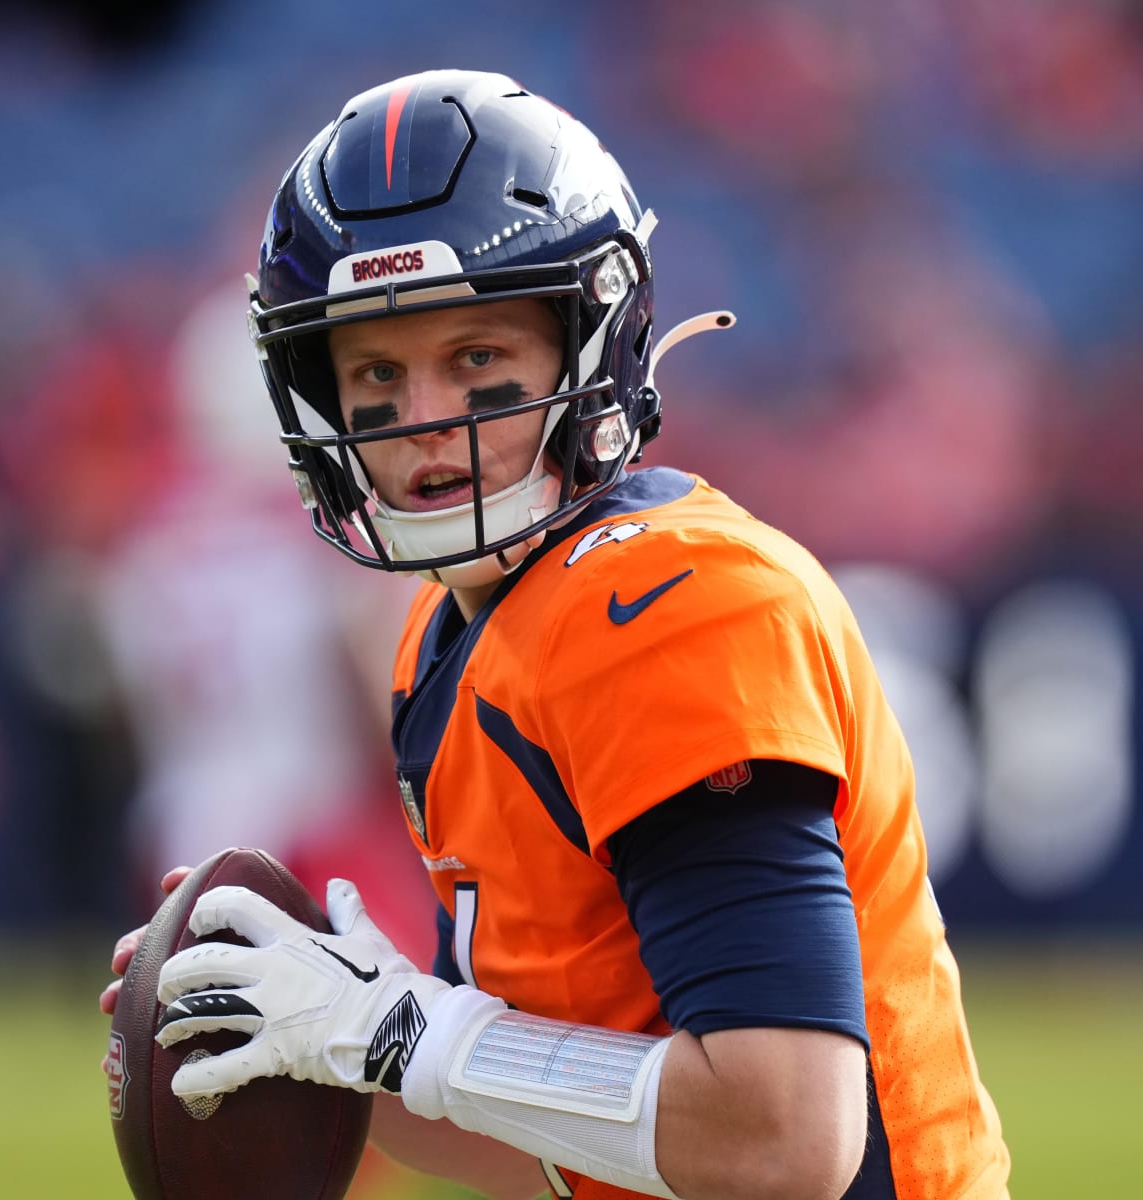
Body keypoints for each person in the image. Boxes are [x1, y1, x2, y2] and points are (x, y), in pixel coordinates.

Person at [101, 69, 1011, 1200]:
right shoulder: (445, 632)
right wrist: (328, 1039)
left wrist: (409, 1037)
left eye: (478, 360)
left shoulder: (670, 605)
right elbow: (561, 1133)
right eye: (378, 374)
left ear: (592, 350)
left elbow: (783, 1141)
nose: (427, 423)